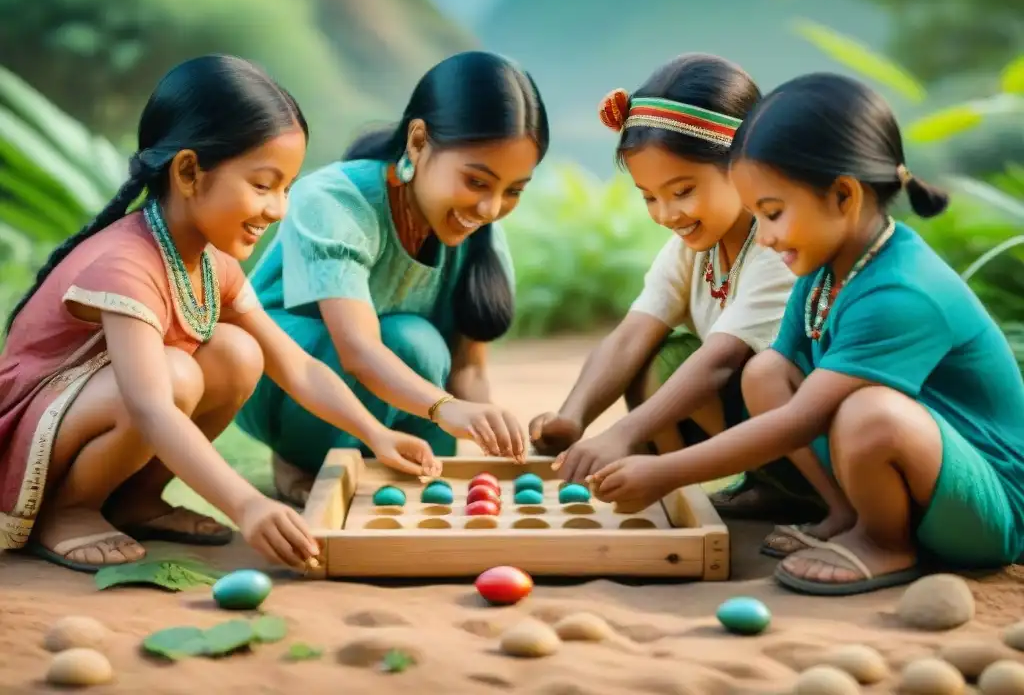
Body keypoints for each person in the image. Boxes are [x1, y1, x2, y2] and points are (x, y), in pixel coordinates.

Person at [588, 72, 1024, 596]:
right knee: (767, 370)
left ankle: (884, 540)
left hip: (988, 507)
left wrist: (666, 472)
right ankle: (844, 514)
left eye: (772, 213)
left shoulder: (903, 291)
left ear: (843, 195)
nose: (765, 238)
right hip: (926, 482)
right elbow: (777, 390)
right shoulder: (824, 270)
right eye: (755, 216)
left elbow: (800, 420)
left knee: (871, 411)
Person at [0, 54, 440, 573]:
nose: (278, 209)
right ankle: (70, 510)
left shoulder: (211, 262)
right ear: (189, 171)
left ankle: (135, 501)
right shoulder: (126, 262)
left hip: (105, 408)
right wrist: (247, 504)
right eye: (262, 185)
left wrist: (376, 434)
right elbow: (151, 407)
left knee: (239, 352)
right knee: (175, 374)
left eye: (286, 189)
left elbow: (296, 367)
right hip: (32, 431)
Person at [528, 53, 830, 531]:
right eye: (649, 196)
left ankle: (808, 496)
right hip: (755, 427)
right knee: (653, 357)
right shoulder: (692, 248)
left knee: (715, 368)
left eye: (682, 190)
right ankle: (760, 488)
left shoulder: (777, 248)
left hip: (817, 439)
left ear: (744, 166)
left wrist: (623, 434)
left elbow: (720, 364)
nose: (667, 213)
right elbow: (630, 337)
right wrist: (573, 417)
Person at [236, 51, 548, 504]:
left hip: (398, 385)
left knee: (415, 344)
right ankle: (302, 461)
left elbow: (466, 369)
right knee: (409, 342)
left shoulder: (482, 233)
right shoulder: (335, 200)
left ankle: (396, 466)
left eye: (513, 190)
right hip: (291, 377)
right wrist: (447, 408)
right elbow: (358, 350)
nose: (491, 209)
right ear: (418, 142)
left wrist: (486, 420)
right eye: (477, 182)